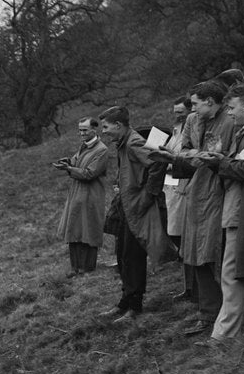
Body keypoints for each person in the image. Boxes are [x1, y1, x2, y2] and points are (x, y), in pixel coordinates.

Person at [156, 80, 236, 335]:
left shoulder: (230, 121)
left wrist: (191, 157)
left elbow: (227, 158)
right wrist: (178, 158)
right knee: (196, 254)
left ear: (210, 102)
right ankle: (207, 313)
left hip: (220, 193)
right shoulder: (194, 120)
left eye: (196, 103)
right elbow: (189, 150)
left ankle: (230, 312)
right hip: (196, 192)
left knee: (218, 254)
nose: (192, 109)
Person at [97, 106, 172, 322]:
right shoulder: (124, 143)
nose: (104, 132)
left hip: (137, 209)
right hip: (127, 207)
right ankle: (125, 301)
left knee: (132, 257)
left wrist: (148, 194)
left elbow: (158, 161)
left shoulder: (133, 142)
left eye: (106, 127)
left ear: (118, 125)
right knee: (122, 255)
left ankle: (135, 306)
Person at [197, 82, 244, 345]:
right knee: (241, 274)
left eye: (231, 107)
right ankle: (240, 334)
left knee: (232, 275)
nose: (229, 112)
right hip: (238, 211)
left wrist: (220, 162)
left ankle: (223, 336)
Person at [55, 118, 108, 277]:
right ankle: (75, 268)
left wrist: (70, 168)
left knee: (88, 230)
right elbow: (77, 162)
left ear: (94, 129)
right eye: (80, 130)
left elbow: (90, 173)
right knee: (74, 229)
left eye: (85, 130)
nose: (82, 133)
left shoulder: (101, 150)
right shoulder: (85, 146)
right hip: (77, 194)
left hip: (90, 196)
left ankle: (87, 268)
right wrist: (68, 162)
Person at [162, 97, 193, 300]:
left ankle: (192, 287)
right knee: (172, 230)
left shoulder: (191, 130)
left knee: (180, 232)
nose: (177, 114)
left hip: (182, 186)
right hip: (170, 186)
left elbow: (185, 158)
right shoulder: (176, 129)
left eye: (181, 111)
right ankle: (188, 285)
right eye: (175, 111)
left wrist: (169, 160)